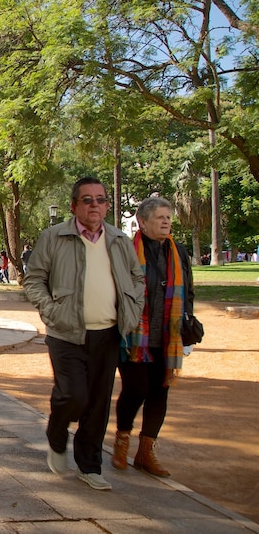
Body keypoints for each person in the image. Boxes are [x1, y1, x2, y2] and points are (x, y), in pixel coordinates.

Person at [23, 176, 145, 491]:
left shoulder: (118, 239)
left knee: (98, 402)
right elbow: (34, 278)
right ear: (74, 205)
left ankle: (90, 466)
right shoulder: (54, 237)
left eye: (101, 199)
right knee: (74, 394)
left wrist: (132, 307)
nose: (95, 205)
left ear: (106, 205)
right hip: (65, 332)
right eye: (87, 199)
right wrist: (51, 310)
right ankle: (57, 434)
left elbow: (137, 278)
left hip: (107, 333)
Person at [111, 196, 195, 478]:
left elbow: (189, 290)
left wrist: (186, 326)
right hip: (135, 335)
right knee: (137, 389)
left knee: (161, 390)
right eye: (160, 217)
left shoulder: (178, 251)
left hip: (167, 334)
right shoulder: (126, 250)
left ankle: (146, 452)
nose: (166, 222)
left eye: (168, 217)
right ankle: (122, 440)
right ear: (142, 222)